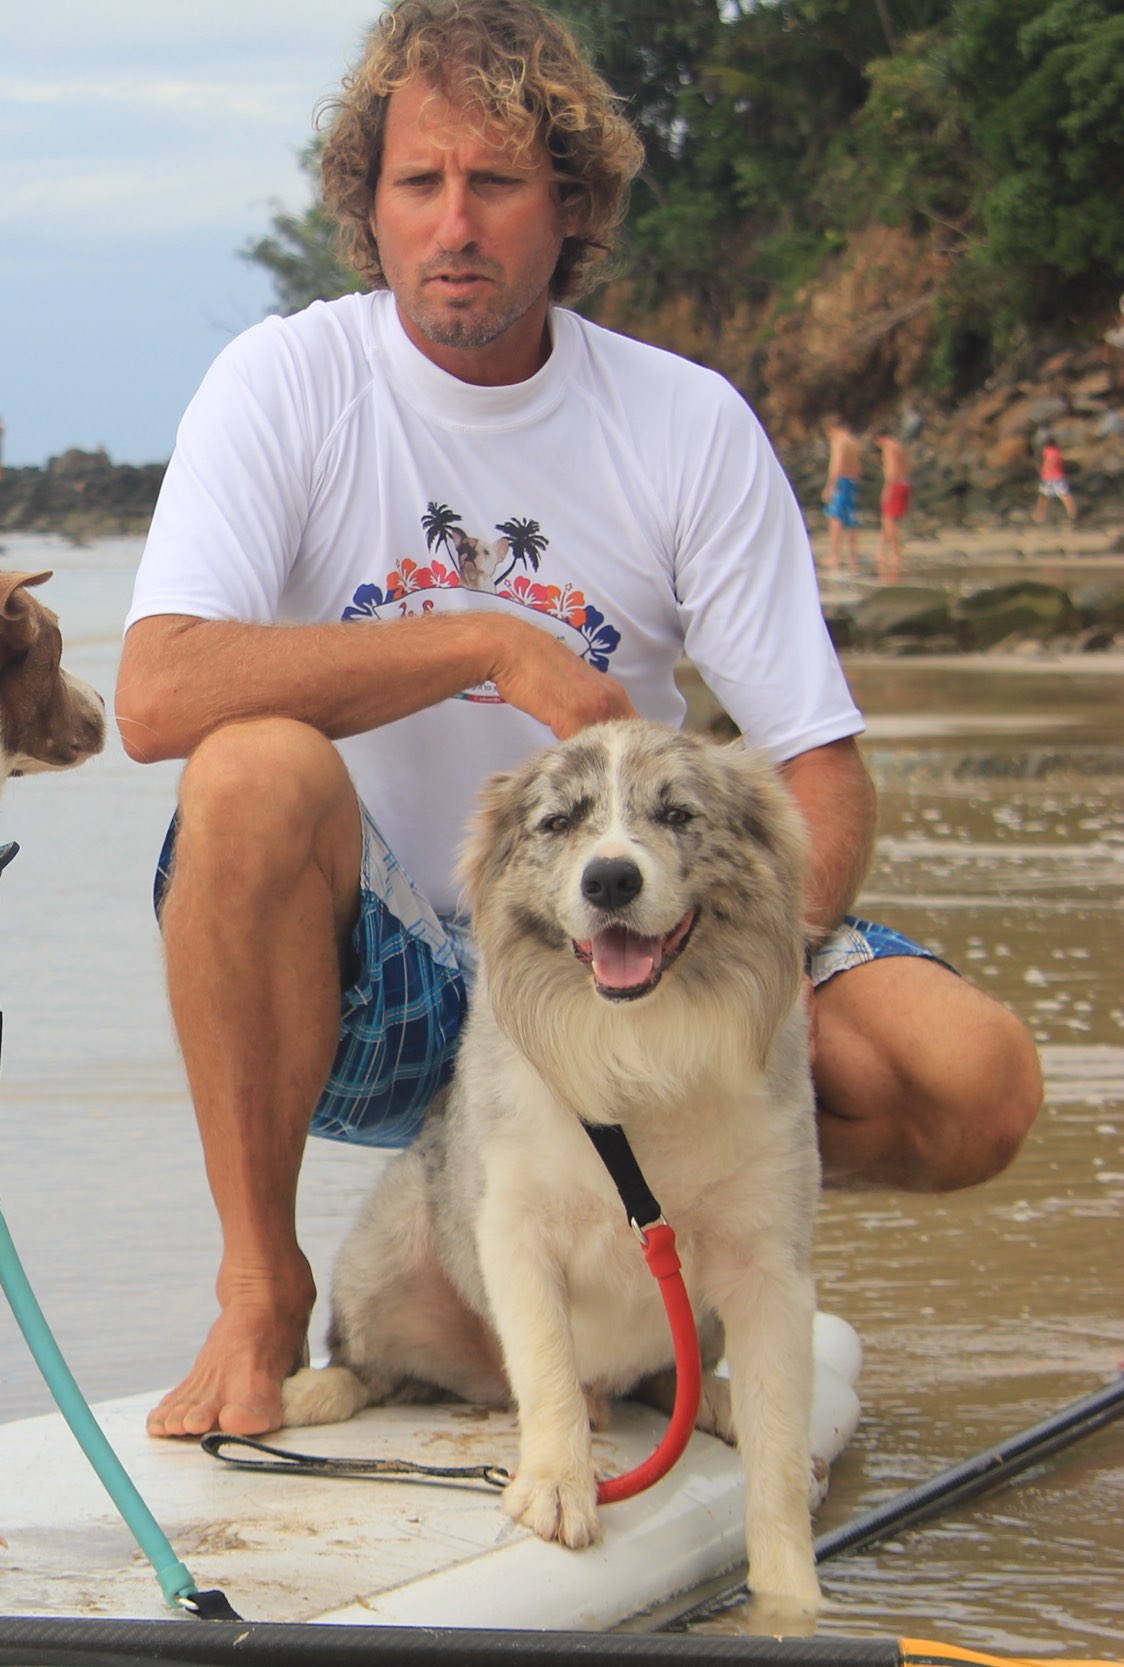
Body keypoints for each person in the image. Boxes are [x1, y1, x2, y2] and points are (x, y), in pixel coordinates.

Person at [113, 0, 1043, 1443]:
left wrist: (763, 981)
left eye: (496, 183)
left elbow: (816, 762)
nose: (454, 223)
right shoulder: (288, 381)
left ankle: (692, 1246)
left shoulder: (681, 421)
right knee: (249, 769)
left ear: (574, 205)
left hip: (632, 941)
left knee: (967, 1079)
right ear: (370, 207)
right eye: (416, 184)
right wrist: (487, 639)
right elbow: (156, 694)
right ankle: (259, 1287)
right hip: (398, 978)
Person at [822, 412, 865, 576]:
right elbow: (858, 465)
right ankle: (852, 556)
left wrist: (830, 486)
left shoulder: (839, 442)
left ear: (832, 428)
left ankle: (834, 555)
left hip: (841, 482)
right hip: (852, 481)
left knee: (835, 518)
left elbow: (836, 465)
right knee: (851, 518)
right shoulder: (853, 441)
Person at [875, 428, 913, 584]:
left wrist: (887, 490)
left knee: (889, 520)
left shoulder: (889, 448)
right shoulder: (899, 446)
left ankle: (895, 554)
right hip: (904, 482)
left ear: (880, 439)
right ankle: (882, 551)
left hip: (895, 484)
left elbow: (891, 471)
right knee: (887, 519)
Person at [1033, 434, 1077, 523]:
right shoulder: (1058, 451)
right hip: (1058, 476)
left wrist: (1044, 470)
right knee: (1063, 495)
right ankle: (1072, 513)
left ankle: (1040, 515)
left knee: (1044, 496)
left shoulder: (1048, 451)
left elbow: (1050, 461)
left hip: (1050, 477)